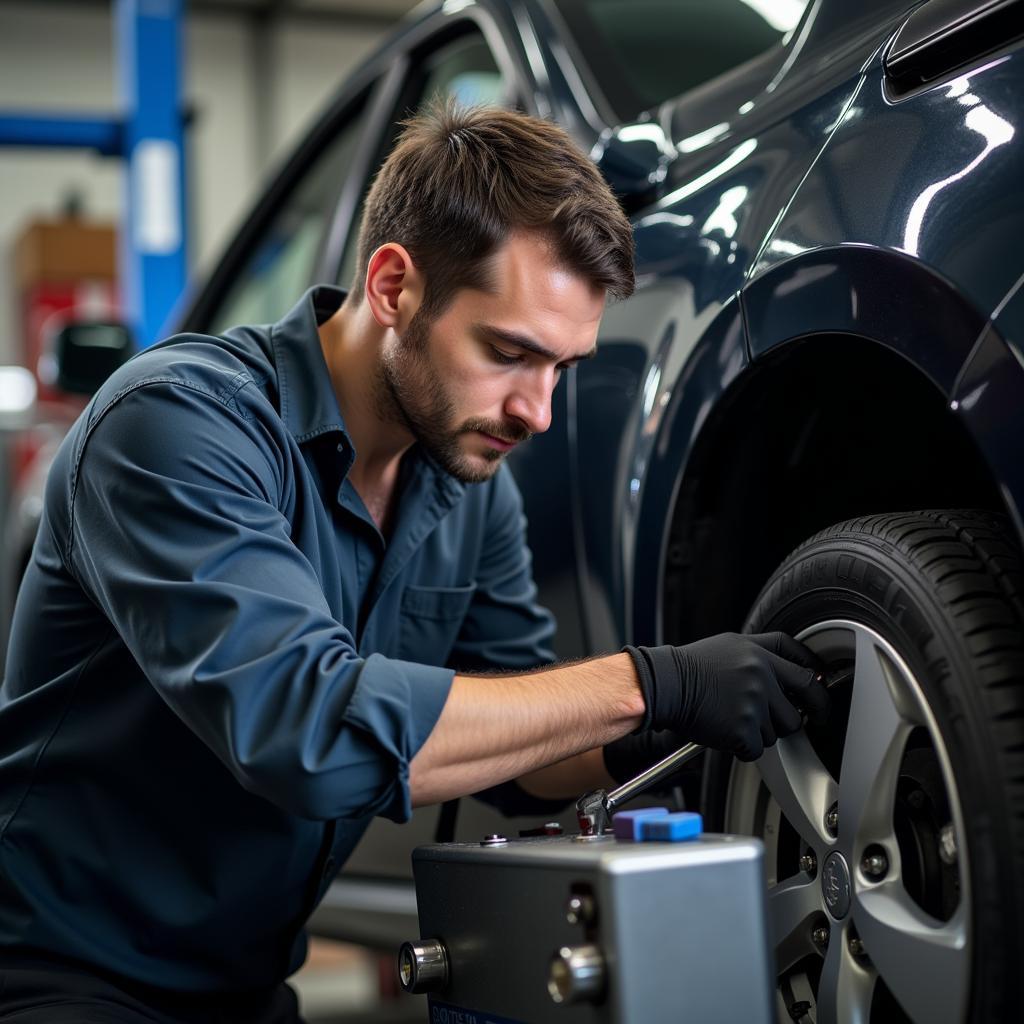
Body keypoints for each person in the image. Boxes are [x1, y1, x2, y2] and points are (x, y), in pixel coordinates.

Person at [0, 102, 827, 1021]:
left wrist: (660, 726)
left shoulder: (470, 489)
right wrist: (650, 684)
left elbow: (514, 754)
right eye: (509, 353)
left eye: (562, 367)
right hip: (57, 980)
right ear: (393, 285)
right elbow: (304, 731)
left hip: (246, 991)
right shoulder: (173, 427)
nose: (536, 412)